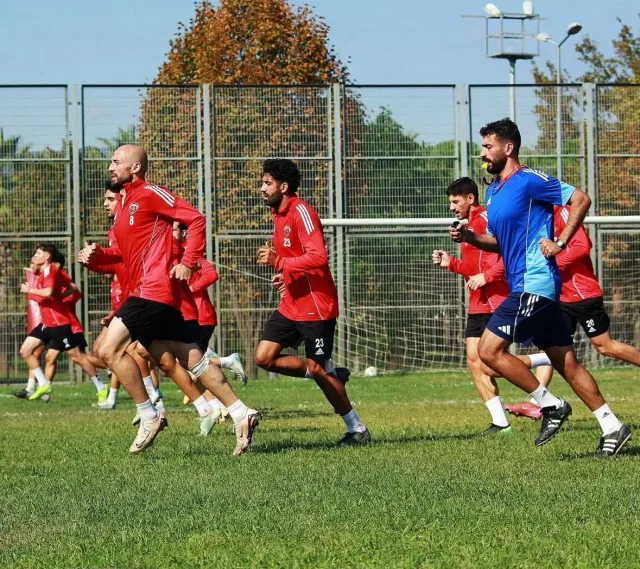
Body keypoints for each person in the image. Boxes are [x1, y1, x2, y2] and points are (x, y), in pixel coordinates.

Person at [450, 118, 631, 456]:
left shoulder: (530, 180)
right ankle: (612, 426)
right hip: (524, 284)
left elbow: (581, 199)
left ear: (508, 148)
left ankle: (550, 405)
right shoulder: (494, 191)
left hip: (535, 283)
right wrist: (469, 237)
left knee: (488, 351)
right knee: (567, 363)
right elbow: (499, 243)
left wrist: (560, 242)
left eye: (488, 146)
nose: (483, 153)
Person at [79, 145, 260, 455]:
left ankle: (150, 414)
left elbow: (196, 219)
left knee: (106, 349)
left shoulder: (150, 193)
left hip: (152, 290)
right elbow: (122, 256)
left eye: (116, 161)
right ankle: (241, 412)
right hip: (147, 293)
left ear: (135, 167)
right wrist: (97, 258)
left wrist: (188, 261)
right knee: (191, 359)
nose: (110, 166)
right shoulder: (124, 207)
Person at [255, 158, 370, 445]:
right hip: (292, 303)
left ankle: (357, 429)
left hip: (316, 307)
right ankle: (330, 375)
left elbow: (318, 256)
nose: (262, 188)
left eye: (267, 183)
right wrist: (285, 276)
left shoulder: (301, 212)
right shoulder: (277, 215)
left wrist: (280, 262)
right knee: (263, 358)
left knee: (319, 370)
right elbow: (296, 259)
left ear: (283, 187)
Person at [432, 177, 552, 434]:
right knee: (474, 362)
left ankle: (547, 358)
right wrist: (451, 263)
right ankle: (501, 423)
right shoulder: (466, 229)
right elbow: (472, 268)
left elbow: (512, 255)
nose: (452, 207)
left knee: (490, 363)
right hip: (477, 304)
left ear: (471, 198)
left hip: (498, 301)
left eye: (456, 202)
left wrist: (487, 276)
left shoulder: (489, 219)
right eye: (450, 202)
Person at [507, 204, 640, 422]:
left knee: (604, 346)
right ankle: (536, 404)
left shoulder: (563, 212)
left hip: (583, 294)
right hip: (559, 297)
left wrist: (552, 261)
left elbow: (582, 246)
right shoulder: (537, 219)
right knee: (552, 347)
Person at [18, 244, 74, 401]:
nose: (35, 256)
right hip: (47, 323)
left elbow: (49, 292)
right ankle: (42, 384)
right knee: (26, 351)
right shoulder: (43, 273)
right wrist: (58, 297)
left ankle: (101, 384)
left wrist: (30, 290)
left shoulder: (50, 270)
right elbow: (70, 288)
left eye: (38, 253)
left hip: (59, 322)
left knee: (77, 357)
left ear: (47, 257)